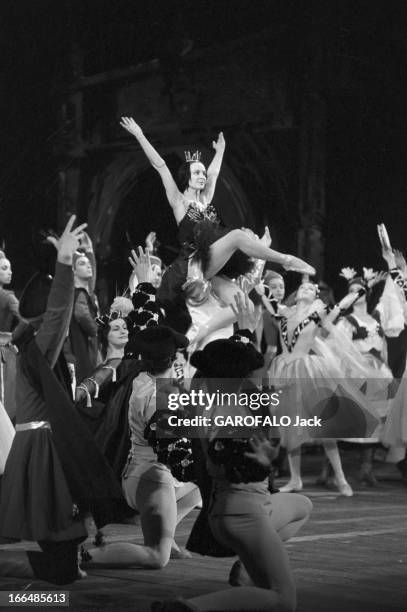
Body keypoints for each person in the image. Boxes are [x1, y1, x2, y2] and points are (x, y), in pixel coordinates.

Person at [153, 298, 312, 612]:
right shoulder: (233, 410)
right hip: (242, 510)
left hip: (240, 506)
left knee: (301, 505)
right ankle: (188, 608)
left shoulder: (208, 399)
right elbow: (236, 460)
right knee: (283, 600)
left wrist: (246, 332)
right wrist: (268, 461)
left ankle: (247, 569)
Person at [0, 216, 130, 584]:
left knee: (62, 553)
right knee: (62, 567)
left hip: (39, 445)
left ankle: (55, 573)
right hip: (42, 449)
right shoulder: (37, 348)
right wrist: (65, 266)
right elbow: (58, 317)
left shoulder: (29, 352)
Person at [119, 117, 314, 323]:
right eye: (197, 172)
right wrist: (140, 135)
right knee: (237, 236)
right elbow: (160, 165)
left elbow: (214, 173)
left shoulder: (204, 200)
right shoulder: (179, 202)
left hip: (213, 265)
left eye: (202, 172)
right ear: (187, 175)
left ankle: (216, 337)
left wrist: (220, 150)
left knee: (242, 301)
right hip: (192, 265)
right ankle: (285, 260)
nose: (202, 176)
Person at [80, 325, 201, 570]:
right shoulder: (160, 396)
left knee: (200, 486)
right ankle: (84, 557)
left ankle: (166, 533)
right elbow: (171, 447)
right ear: (173, 358)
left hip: (138, 472)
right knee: (157, 557)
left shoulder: (140, 379)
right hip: (153, 479)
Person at [267, 280, 380, 496]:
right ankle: (295, 479)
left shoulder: (318, 313)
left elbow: (338, 309)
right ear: (296, 293)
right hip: (285, 371)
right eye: (302, 287)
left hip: (308, 372)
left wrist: (357, 292)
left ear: (316, 296)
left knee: (324, 427)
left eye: (311, 289)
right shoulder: (283, 312)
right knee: (292, 427)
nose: (306, 289)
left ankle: (340, 478)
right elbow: (263, 294)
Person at [75, 312, 129, 434]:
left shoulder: (118, 364)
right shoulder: (110, 366)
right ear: (106, 335)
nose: (123, 332)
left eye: (125, 328)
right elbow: (86, 387)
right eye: (116, 329)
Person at [65, 233, 99, 386]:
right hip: (80, 353)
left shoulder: (84, 293)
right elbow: (82, 314)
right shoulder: (77, 294)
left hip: (89, 350)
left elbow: (89, 285)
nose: (88, 265)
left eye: (88, 263)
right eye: (82, 264)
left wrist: (90, 251)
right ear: (73, 271)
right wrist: (97, 329)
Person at [0, 250, 21, 420]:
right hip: (4, 356)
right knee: (6, 402)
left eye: (10, 268)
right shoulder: (7, 297)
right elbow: (27, 319)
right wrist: (12, 336)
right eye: (4, 268)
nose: (10, 272)